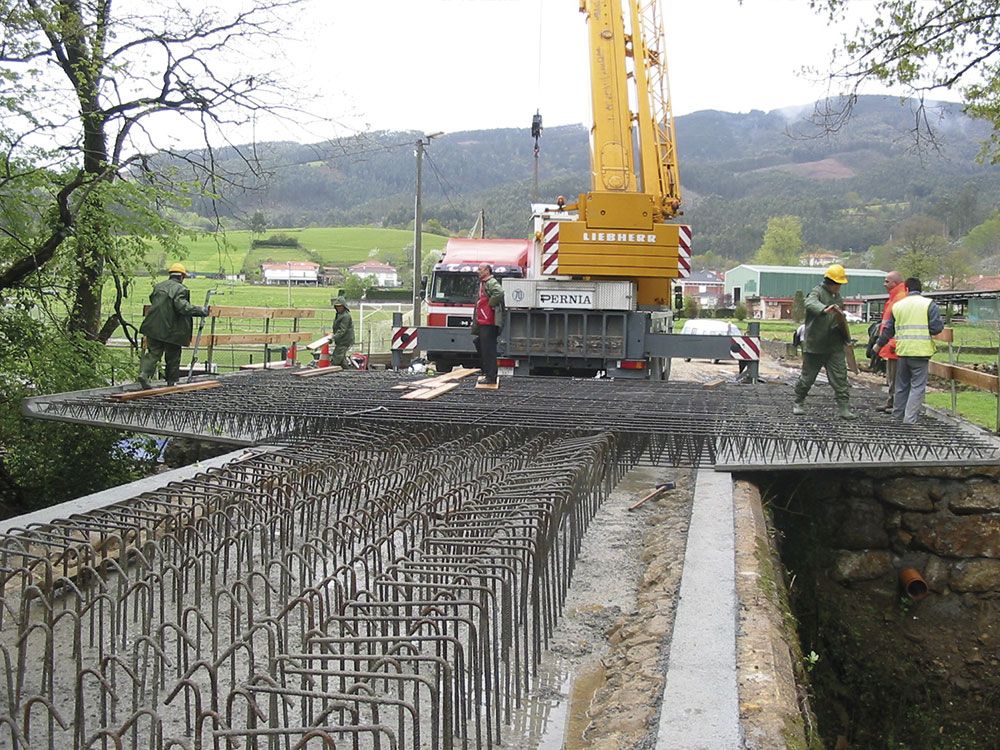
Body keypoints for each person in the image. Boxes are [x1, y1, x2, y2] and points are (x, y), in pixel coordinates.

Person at [874, 277, 943, 424]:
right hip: (920, 352)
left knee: (901, 385)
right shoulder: (929, 304)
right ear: (921, 289)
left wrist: (878, 345)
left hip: (902, 351)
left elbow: (888, 330)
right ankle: (909, 420)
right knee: (917, 387)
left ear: (906, 289)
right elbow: (937, 328)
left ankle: (897, 417)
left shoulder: (898, 306)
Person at [792, 264, 856, 420]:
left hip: (834, 344)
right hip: (815, 345)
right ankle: (798, 402)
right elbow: (809, 303)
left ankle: (844, 407)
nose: (840, 287)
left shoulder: (837, 297)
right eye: (838, 284)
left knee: (840, 377)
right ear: (831, 282)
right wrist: (823, 309)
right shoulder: (817, 292)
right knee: (807, 378)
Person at [138, 263, 209, 388]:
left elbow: (153, 301)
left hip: (152, 327)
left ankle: (144, 374)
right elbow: (182, 307)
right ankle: (171, 383)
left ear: (170, 274)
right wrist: (201, 311)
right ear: (182, 276)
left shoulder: (158, 287)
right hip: (171, 330)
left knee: (153, 353)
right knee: (173, 356)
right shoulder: (181, 289)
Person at [875, 271, 906, 413]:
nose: (884, 284)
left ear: (895, 283)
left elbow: (896, 325)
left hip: (895, 346)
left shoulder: (900, 298)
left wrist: (892, 343)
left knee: (897, 378)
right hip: (891, 345)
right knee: (892, 378)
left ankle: (895, 404)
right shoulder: (894, 298)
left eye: (887, 281)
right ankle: (891, 402)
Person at [474, 263, 504, 387]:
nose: (478, 271)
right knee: (479, 343)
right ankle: (487, 372)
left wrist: (489, 305)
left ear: (487, 270)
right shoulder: (484, 283)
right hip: (483, 321)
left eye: (480, 269)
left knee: (488, 350)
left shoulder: (491, 282)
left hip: (488, 321)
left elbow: (499, 292)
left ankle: (491, 376)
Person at [329, 296, 355, 367]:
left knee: (337, 357)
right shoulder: (339, 315)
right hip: (341, 340)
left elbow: (342, 330)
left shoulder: (346, 316)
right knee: (341, 358)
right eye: (337, 306)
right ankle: (348, 372)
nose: (338, 308)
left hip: (345, 340)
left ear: (344, 306)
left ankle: (332, 370)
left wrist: (333, 337)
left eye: (340, 306)